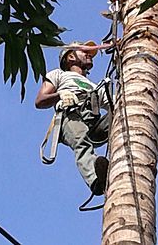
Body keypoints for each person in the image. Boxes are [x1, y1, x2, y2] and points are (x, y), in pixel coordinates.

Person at [35, 41, 110, 196]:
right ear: (70, 56)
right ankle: (96, 179)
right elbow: (40, 101)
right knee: (81, 142)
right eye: (85, 51)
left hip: (94, 123)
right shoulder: (59, 75)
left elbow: (113, 104)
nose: (89, 54)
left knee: (124, 110)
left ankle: (154, 136)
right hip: (71, 117)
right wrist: (60, 95)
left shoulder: (95, 86)